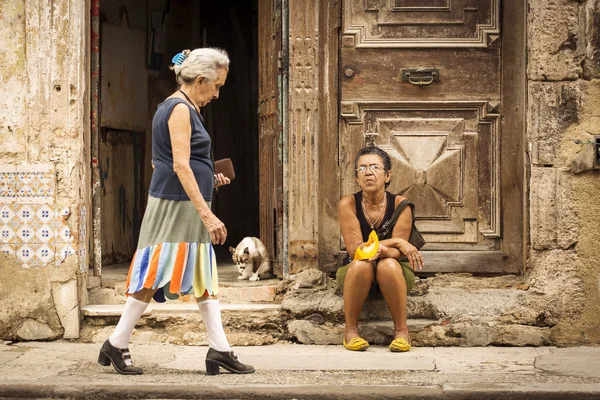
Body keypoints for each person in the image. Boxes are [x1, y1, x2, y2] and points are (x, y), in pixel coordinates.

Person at [98, 48, 254, 376]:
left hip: (181, 203)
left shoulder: (184, 108)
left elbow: (169, 162)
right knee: (154, 272)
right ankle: (116, 341)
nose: (217, 93)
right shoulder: (180, 109)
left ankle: (220, 349)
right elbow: (180, 166)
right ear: (199, 80)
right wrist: (207, 214)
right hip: (174, 206)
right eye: (215, 86)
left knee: (201, 274)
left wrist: (210, 178)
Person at [337, 146, 424, 352]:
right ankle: (350, 331)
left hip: (395, 273)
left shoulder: (402, 205)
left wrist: (393, 247)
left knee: (388, 264)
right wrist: (396, 241)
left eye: (375, 167)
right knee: (360, 264)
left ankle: (402, 332)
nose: (368, 172)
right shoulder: (348, 203)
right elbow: (355, 250)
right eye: (362, 168)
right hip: (355, 273)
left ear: (387, 175)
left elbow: (395, 254)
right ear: (357, 178)